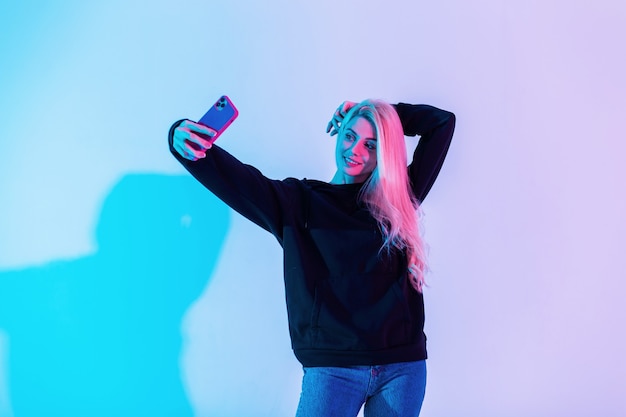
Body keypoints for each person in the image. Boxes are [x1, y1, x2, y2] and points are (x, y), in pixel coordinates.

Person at [169, 98, 456, 417]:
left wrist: (380, 112)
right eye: (349, 136)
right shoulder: (298, 204)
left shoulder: (398, 200)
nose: (355, 150)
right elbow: (237, 182)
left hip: (402, 370)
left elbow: (442, 124)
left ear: (383, 151)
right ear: (339, 134)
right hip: (334, 371)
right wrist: (182, 139)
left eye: (371, 144)